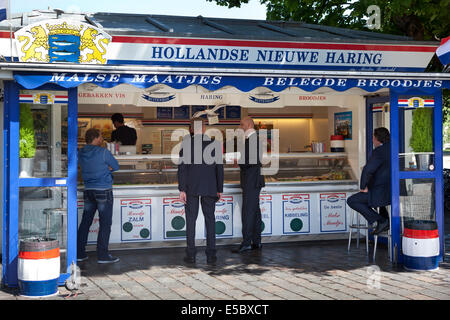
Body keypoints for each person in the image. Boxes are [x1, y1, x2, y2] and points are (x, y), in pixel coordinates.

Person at [178, 118, 224, 265]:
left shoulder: (186, 145)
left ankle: (190, 254)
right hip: (210, 187)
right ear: (204, 129)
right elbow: (219, 169)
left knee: (191, 220)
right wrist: (219, 188)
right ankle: (211, 253)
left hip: (191, 188)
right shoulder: (215, 145)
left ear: (192, 130)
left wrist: (182, 189)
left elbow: (182, 169)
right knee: (210, 220)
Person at [77, 128, 120, 264]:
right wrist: (106, 168)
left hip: (88, 189)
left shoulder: (81, 152)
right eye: (100, 137)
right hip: (103, 190)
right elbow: (116, 166)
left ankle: (79, 252)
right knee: (105, 223)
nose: (102, 139)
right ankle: (102, 255)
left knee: (85, 222)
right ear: (95, 138)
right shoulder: (103, 152)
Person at [347, 127, 391, 235]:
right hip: (392, 192)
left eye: (373, 137)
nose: (372, 140)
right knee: (379, 205)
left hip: (380, 192)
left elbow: (368, 169)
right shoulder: (393, 148)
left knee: (352, 200)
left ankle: (382, 221)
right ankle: (384, 220)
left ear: (377, 138)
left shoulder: (379, 151)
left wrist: (363, 186)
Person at [232, 117, 265, 253]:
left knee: (248, 212)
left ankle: (246, 243)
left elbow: (250, 161)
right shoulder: (253, 139)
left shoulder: (253, 140)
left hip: (251, 180)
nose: (241, 127)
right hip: (254, 180)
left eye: (242, 125)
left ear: (250, 125)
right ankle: (256, 241)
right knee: (255, 212)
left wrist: (237, 160)